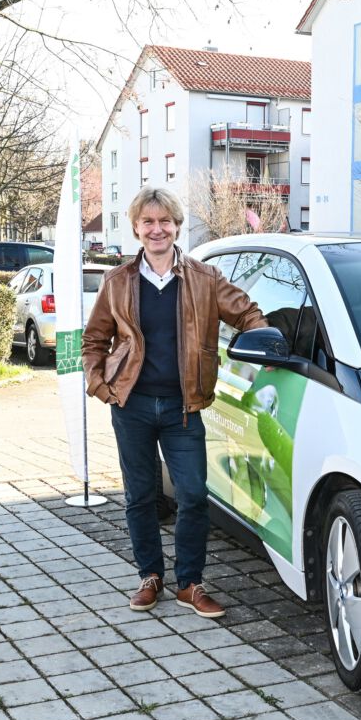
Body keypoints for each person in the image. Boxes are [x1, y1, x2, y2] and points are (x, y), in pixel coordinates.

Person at [82, 185, 267, 618]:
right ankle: (151, 576)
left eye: (165, 221)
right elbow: (94, 341)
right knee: (140, 496)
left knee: (193, 495)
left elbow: (249, 314)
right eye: (148, 222)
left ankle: (190, 583)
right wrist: (101, 386)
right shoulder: (117, 281)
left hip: (184, 409)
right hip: (132, 406)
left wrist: (268, 345)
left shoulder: (205, 278)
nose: (157, 229)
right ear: (135, 229)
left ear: (177, 227)